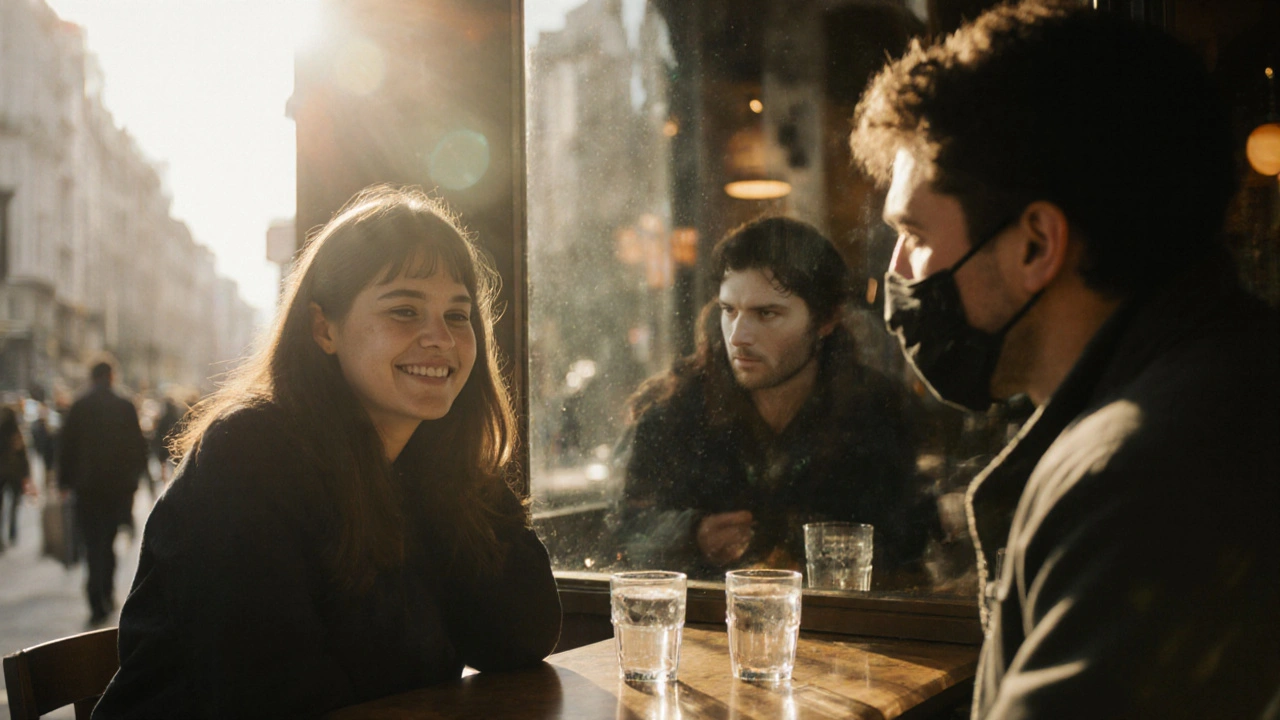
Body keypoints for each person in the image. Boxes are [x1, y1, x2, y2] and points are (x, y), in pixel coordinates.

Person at [849, 2, 1279, 716]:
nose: (897, 269)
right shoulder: (1225, 383)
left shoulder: (1145, 476)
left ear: (1036, 246)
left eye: (915, 233)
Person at [92, 186, 561, 719]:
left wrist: (464, 481)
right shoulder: (249, 456)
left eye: (458, 315)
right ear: (324, 328)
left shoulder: (429, 457)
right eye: (405, 309)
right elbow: (270, 698)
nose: (442, 338)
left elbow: (522, 636)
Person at [615, 216, 933, 586]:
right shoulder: (674, 412)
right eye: (729, 310)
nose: (738, 336)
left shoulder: (879, 411)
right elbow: (620, 531)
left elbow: (914, 538)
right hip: (708, 631)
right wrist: (692, 535)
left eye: (767, 314)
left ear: (827, 320)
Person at [57, 361, 148, 623]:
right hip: (116, 488)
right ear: (111, 376)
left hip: (86, 488)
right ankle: (105, 590)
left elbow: (66, 447)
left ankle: (95, 593)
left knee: (91, 541)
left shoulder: (79, 405)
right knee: (108, 540)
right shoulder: (124, 405)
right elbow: (137, 446)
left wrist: (64, 483)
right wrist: (135, 480)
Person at [0, 404, 32, 551]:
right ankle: (12, 531)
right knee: (14, 504)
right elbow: (23, 455)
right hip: (14, 474)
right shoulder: (15, 435)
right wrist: (26, 475)